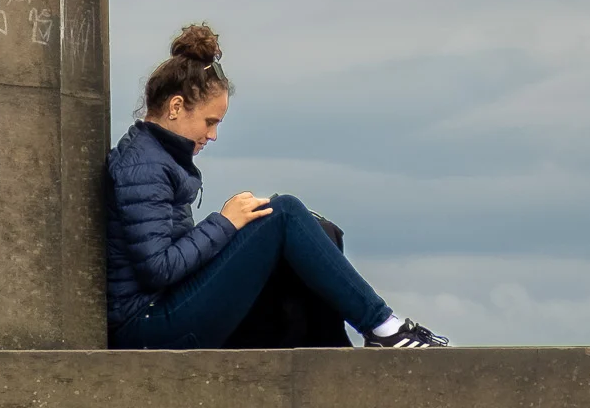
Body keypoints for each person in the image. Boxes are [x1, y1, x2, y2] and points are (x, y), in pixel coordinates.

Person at [105, 23, 448, 351]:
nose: (212, 135)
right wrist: (225, 223)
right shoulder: (142, 166)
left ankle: (337, 353)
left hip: (168, 310)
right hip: (149, 326)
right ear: (176, 106)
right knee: (283, 213)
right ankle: (383, 327)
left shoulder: (158, 157)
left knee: (319, 230)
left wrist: (233, 226)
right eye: (210, 122)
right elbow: (158, 269)